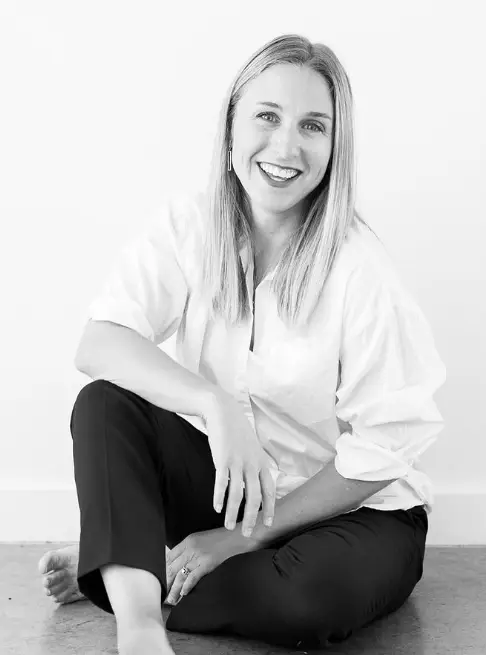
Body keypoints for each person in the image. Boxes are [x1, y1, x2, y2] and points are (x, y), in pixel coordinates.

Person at [38, 33, 446, 654]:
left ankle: (123, 566)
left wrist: (245, 537)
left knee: (310, 601)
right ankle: (139, 621)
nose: (286, 147)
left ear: (336, 147)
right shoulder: (188, 226)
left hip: (352, 515)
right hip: (230, 490)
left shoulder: (363, 272)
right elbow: (101, 341)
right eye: (267, 116)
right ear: (231, 126)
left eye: (313, 126)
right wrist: (213, 405)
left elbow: (386, 445)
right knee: (104, 405)